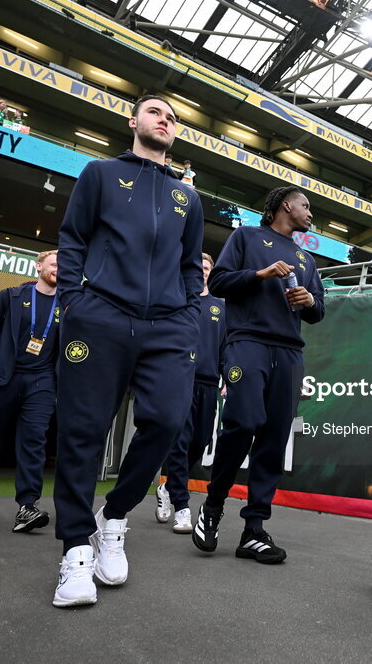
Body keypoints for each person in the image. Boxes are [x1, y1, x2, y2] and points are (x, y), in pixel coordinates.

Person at [51, 94, 203, 608]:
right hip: (100, 316)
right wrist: (74, 300)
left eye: (173, 118)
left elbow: (189, 265)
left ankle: (112, 517)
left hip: (168, 324)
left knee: (165, 420)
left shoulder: (188, 198)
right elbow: (72, 238)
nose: (166, 120)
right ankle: (75, 550)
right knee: (83, 432)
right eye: (157, 112)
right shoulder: (98, 173)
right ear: (134, 121)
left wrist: (188, 313)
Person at [191, 186, 324, 564]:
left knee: (274, 438)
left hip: (289, 352)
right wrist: (260, 274)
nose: (310, 213)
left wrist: (310, 300)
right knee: (243, 422)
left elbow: (317, 312)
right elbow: (217, 283)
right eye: (305, 206)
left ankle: (253, 530)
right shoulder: (246, 236)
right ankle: (213, 505)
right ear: (285, 205)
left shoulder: (306, 259)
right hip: (247, 343)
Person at [0, 250, 60, 533]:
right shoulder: (10, 296)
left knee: (34, 440)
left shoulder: (67, 305)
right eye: (55, 263)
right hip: (3, 380)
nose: (60, 268)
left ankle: (27, 506)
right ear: (39, 266)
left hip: (41, 382)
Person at [155, 252, 226, 533]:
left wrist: (227, 377)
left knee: (199, 441)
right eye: (198, 267)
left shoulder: (221, 307)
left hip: (209, 383)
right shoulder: (176, 302)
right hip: (180, 380)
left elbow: (226, 346)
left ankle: (167, 487)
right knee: (181, 441)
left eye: (207, 268)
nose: (203, 271)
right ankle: (182, 508)